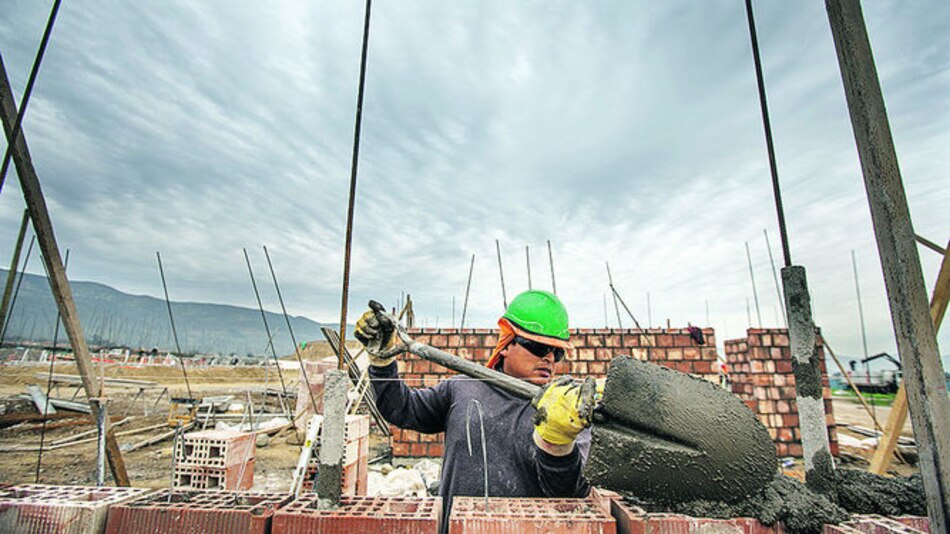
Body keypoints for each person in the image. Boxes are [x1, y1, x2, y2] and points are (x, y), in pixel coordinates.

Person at [354, 289, 594, 521]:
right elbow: (401, 409)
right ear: (507, 343)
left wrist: (557, 443)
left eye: (557, 353)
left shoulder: (566, 414)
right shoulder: (462, 388)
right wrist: (381, 362)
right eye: (539, 347)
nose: (549, 358)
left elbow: (570, 493)